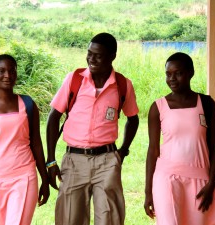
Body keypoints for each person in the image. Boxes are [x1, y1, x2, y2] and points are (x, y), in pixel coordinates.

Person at [46, 32, 139, 225]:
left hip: (107, 162)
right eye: (89, 53)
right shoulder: (74, 79)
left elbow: (133, 119)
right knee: (69, 218)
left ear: (112, 56)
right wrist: (51, 160)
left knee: (110, 218)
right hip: (74, 161)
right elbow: (54, 117)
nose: (91, 58)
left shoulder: (122, 85)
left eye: (98, 55)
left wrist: (123, 151)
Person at [144, 52, 215, 225]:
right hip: (167, 178)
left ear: (190, 73)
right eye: (168, 74)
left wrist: (211, 183)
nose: (172, 79)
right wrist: (148, 192)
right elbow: (153, 150)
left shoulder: (206, 103)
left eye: (178, 73)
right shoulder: (158, 107)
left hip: (200, 180)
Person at [0, 54, 50, 225]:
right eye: (1, 71)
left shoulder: (27, 104)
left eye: (12, 71)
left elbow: (36, 143)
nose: (7, 75)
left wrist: (45, 179)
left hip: (23, 178)